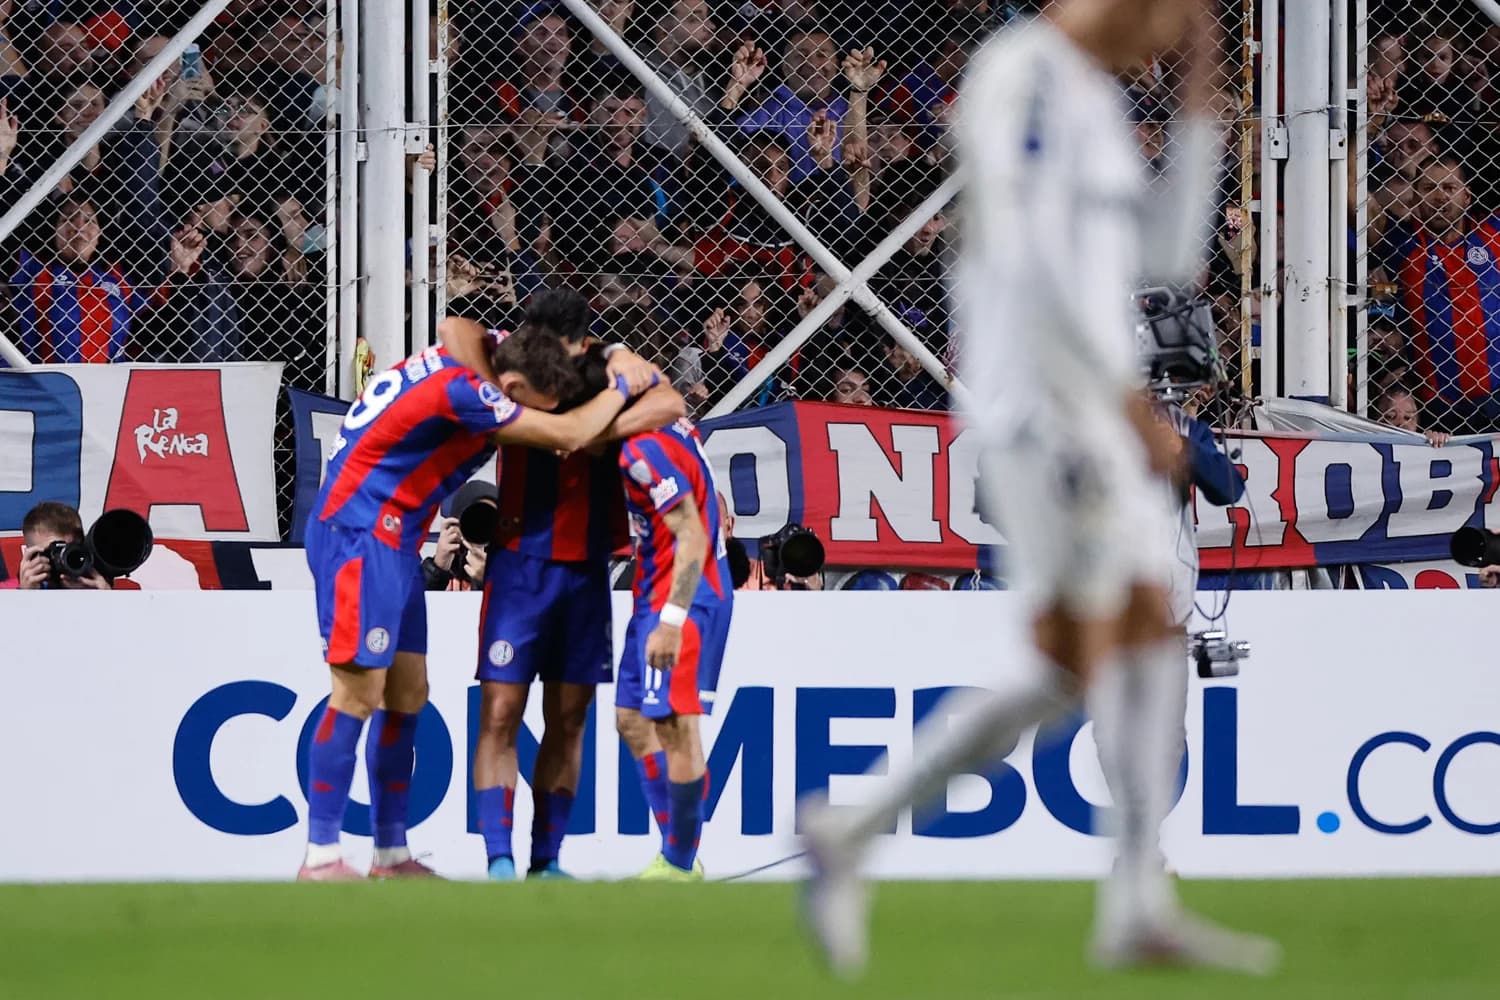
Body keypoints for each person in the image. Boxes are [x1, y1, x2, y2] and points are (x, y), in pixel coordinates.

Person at [797, 0, 1280, 978]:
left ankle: (1132, 894)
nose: (1174, 38)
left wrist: (1199, 115)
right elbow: (1029, 266)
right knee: (1085, 652)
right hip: (1044, 419)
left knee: (1131, 640)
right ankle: (863, 825)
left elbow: (1163, 261)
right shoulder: (1016, 77)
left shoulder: (1099, 103)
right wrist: (1127, 402)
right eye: (1174, 19)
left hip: (1096, 420)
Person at [297, 324, 659, 882]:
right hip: (359, 534)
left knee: (408, 691)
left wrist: (620, 351)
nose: (548, 407)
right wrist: (620, 388)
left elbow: (470, 328)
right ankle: (320, 857)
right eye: (539, 401)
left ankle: (390, 857)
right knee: (357, 691)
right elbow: (567, 434)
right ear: (511, 386)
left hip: (396, 536)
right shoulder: (473, 394)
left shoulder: (499, 349)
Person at [439, 289, 684, 881]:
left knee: (569, 718)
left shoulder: (608, 367)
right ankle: (499, 858)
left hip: (584, 571)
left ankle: (544, 861)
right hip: (518, 567)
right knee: (500, 712)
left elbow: (672, 402)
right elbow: (453, 327)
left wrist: (597, 426)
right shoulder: (509, 360)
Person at [1088, 394, 1243, 885]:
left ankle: (1141, 845)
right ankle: (1139, 845)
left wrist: (1184, 450)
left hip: (1169, 609)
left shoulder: (1183, 428)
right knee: (1112, 731)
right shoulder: (1091, 422)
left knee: (1166, 737)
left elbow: (1228, 489)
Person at [614, 413, 734, 881]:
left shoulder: (641, 450)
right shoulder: (660, 415)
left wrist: (672, 617)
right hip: (651, 588)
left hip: (685, 594)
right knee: (631, 718)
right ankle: (678, 853)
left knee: (674, 724)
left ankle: (680, 863)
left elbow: (694, 534)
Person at [3, 502, 110, 591]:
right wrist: (23, 596)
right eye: (52, 553)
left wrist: (109, 600)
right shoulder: (5, 594)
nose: (60, 561)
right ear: (30, 554)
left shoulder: (95, 587)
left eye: (68, 553)